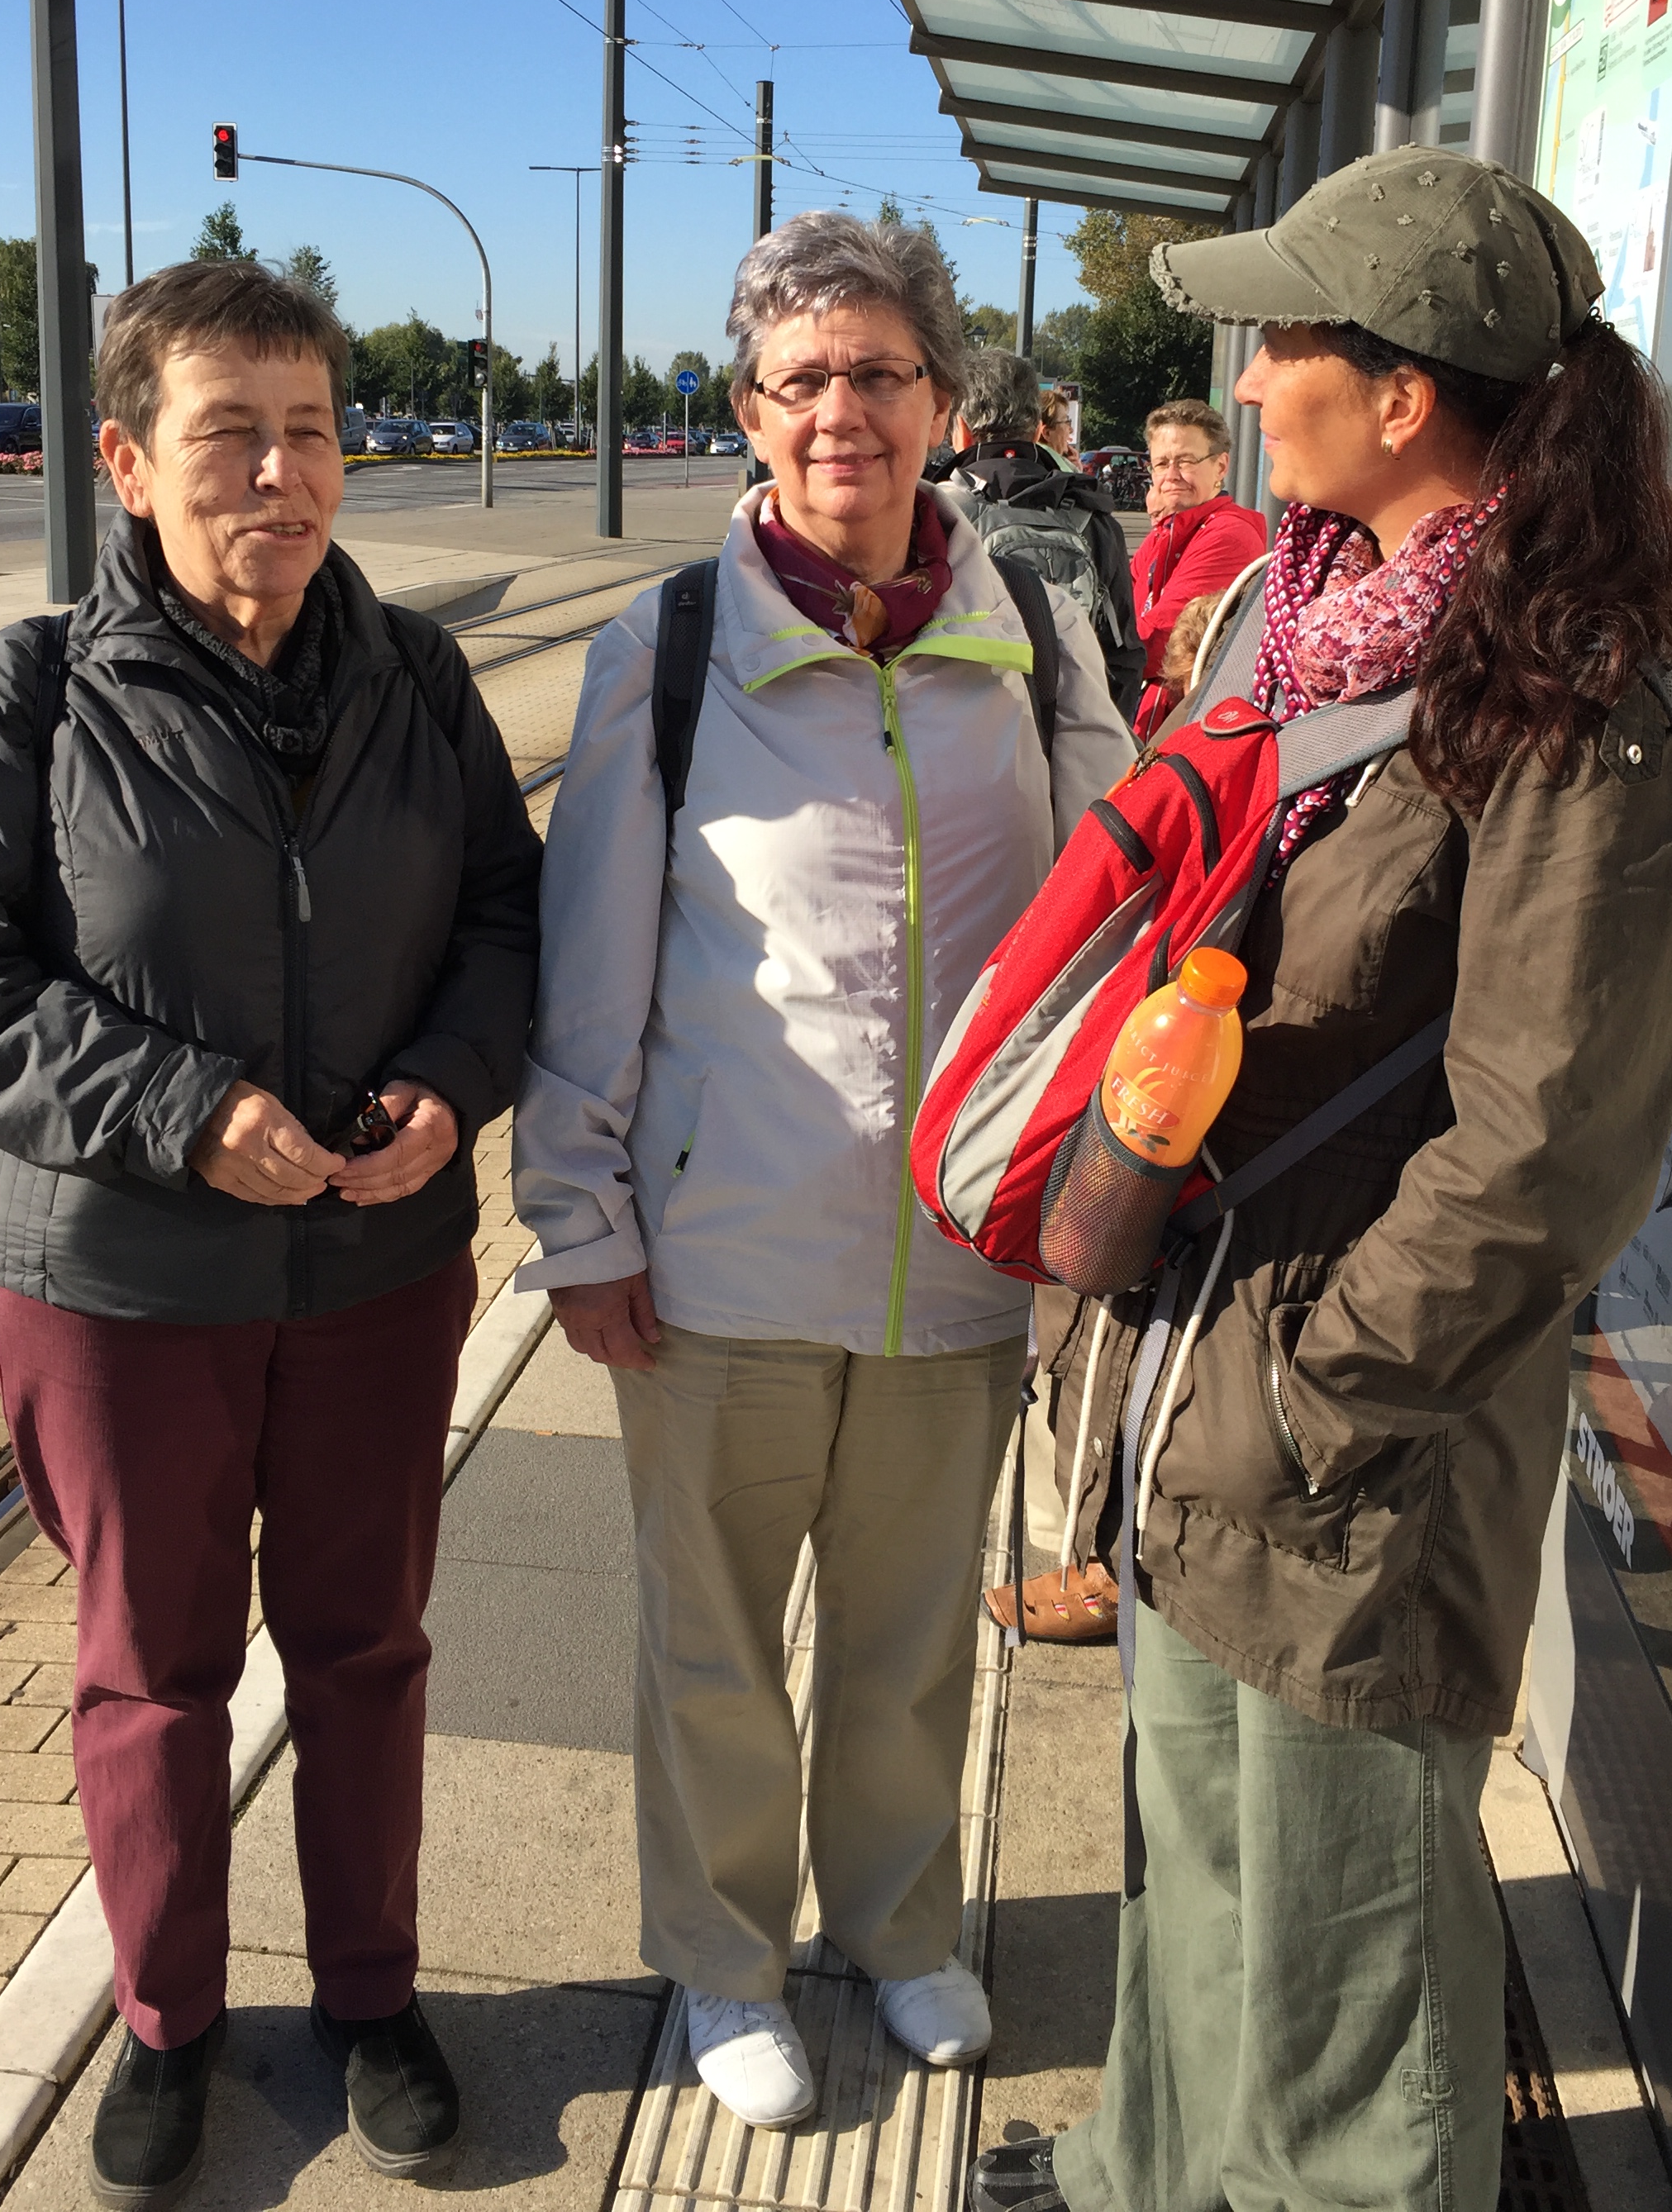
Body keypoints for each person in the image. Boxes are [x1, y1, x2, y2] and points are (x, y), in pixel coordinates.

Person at [968, 147, 1672, 2212]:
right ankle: (1146, 2167)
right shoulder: (1294, 625)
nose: (1244, 376)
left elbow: (1544, 1153)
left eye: (1280, 338)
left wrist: (1310, 1400)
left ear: (1402, 396)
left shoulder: (1565, 704)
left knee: (1352, 1983)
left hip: (1352, 1440)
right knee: (1201, 1859)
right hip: (1206, 1364)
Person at [0, 261, 542, 2208]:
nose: (279, 472)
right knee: (149, 1667)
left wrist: (450, 1083)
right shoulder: (34, 692)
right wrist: (179, 1110)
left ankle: (372, 1996)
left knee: (365, 1646)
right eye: (228, 432)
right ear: (130, 461)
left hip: (374, 1272)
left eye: (310, 431)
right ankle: (165, 2021)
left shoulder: (417, 680)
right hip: (120, 1289)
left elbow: (509, 917)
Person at [512, 212, 1131, 2134]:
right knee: (710, 1643)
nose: (840, 410)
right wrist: (583, 1221)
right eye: (801, 380)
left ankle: (897, 1922)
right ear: (749, 411)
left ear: (944, 402)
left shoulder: (1033, 636)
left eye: (877, 373)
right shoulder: (670, 648)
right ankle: (722, 1960)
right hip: (722, 1250)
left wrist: (1092, 1181)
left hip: (957, 1251)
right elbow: (591, 961)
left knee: (911, 1629)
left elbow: (1112, 914)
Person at [946, 347, 1143, 717]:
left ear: (963, 430)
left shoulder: (938, 513)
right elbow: (1123, 656)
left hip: (973, 730)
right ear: (1038, 430)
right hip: (1077, 727)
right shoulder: (1091, 516)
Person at [1129, 401, 1269, 736]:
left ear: (1221, 466)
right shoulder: (1166, 533)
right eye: (1161, 463)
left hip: (1186, 724)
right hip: (1153, 713)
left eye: (1186, 461)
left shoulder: (1228, 535)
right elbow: (1123, 614)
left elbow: (1158, 642)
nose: (1171, 476)